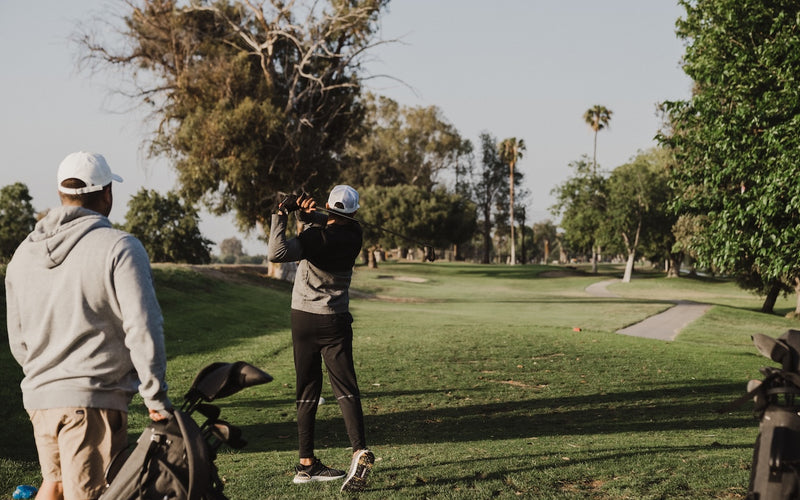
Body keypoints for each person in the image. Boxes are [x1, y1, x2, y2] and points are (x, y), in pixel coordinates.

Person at [5, 151, 172, 500]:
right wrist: (155, 396)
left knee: (55, 485)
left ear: (62, 193)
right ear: (107, 193)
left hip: (40, 399)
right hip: (93, 399)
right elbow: (142, 326)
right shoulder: (119, 247)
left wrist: (46, 376)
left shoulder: (22, 254)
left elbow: (18, 341)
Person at [267, 185, 375, 492]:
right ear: (353, 212)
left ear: (329, 205)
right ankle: (359, 450)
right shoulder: (354, 235)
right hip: (335, 321)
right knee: (345, 387)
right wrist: (307, 216)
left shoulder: (317, 237)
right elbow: (322, 231)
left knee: (307, 388)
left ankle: (306, 464)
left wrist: (282, 212)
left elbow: (278, 252)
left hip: (303, 317)